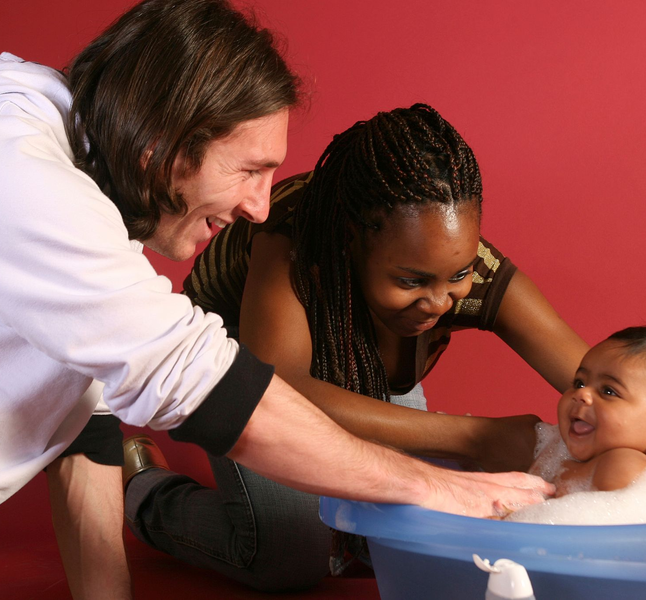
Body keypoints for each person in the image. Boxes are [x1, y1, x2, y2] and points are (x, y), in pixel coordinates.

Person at [0, 2, 553, 598]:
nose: (259, 205)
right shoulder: (17, 183)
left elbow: (81, 432)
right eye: (249, 170)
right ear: (163, 146)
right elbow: (199, 384)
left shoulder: (31, 119)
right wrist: (437, 486)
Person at [120, 104, 590, 591]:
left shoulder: (460, 267)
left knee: (411, 523)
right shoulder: (291, 236)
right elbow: (280, 389)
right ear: (351, 243)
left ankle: (347, 539)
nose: (438, 301)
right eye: (411, 280)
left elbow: (602, 381)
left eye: (459, 274)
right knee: (291, 552)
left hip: (356, 365)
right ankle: (146, 491)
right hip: (245, 358)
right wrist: (476, 437)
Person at [528, 325, 646, 498]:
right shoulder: (557, 450)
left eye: (609, 391)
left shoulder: (625, 465)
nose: (582, 393)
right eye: (579, 383)